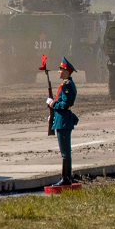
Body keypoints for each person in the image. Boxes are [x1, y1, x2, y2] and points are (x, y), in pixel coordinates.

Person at [45, 57, 80, 187]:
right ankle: (66, 177)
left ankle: (66, 178)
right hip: (61, 120)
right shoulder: (65, 84)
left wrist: (53, 103)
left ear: (66, 71)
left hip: (64, 121)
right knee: (65, 152)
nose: (59, 71)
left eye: (61, 69)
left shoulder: (67, 86)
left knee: (65, 152)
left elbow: (65, 104)